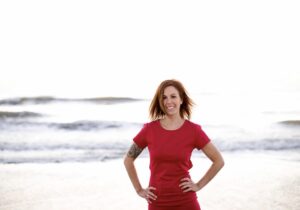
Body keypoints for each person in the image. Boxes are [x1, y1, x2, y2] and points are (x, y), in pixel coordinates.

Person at [123, 79, 224, 210]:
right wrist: (139, 190)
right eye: (164, 97)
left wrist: (198, 185)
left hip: (186, 201)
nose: (168, 101)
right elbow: (128, 160)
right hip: (157, 201)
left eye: (173, 96)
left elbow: (218, 161)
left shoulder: (193, 131)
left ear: (181, 99)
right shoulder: (149, 130)